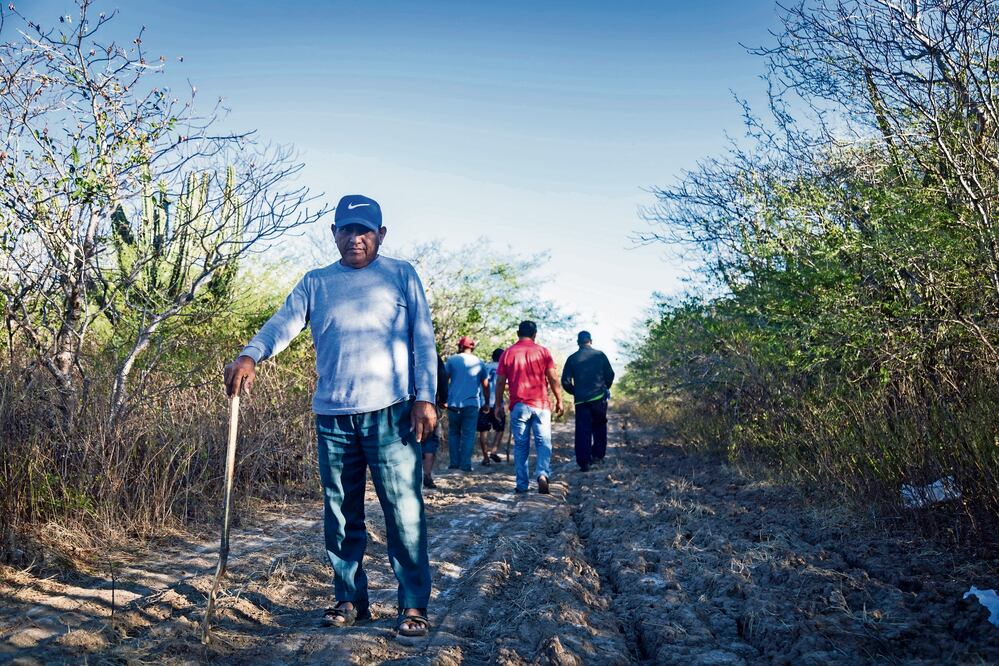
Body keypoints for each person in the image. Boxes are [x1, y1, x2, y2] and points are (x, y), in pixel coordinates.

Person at [223, 194, 436, 640]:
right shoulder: (316, 282)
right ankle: (349, 599)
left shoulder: (401, 275)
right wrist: (250, 354)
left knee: (404, 512)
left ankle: (413, 604)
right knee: (340, 513)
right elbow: (283, 323)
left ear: (381, 234)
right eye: (347, 230)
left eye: (365, 231)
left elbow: (423, 340)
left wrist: (425, 398)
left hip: (392, 413)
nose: (355, 238)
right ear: (334, 233)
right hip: (334, 417)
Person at [493, 321, 564, 494]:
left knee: (520, 446)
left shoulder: (508, 353)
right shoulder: (543, 352)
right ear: (535, 334)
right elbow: (553, 378)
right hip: (541, 405)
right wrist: (559, 400)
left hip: (518, 406)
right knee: (543, 442)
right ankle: (542, 474)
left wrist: (498, 404)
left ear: (518, 333)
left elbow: (500, 381)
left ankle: (522, 484)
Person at [561, 330, 615, 471]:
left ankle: (584, 462)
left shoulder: (572, 358)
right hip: (599, 398)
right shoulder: (600, 355)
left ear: (578, 343)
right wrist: (604, 387)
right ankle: (598, 456)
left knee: (582, 430)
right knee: (599, 426)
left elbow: (565, 381)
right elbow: (610, 375)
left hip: (581, 401)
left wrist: (576, 392)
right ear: (591, 341)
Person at [444, 336, 489, 472]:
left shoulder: (452, 360)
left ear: (460, 346)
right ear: (472, 347)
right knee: (468, 435)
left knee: (454, 433)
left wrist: (443, 399)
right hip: (471, 404)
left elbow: (444, 380)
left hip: (453, 403)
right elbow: (485, 385)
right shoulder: (480, 362)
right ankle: (465, 465)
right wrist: (487, 402)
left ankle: (454, 463)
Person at [421, 354, 449, 489]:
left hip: (403, 406)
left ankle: (413, 476)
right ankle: (427, 474)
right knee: (430, 441)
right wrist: (443, 399)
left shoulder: (402, 350)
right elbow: (442, 377)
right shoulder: (431, 354)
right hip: (430, 404)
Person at [476, 348, 506, 465]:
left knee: (483, 430)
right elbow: (505, 384)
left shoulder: (484, 366)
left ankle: (485, 457)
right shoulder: (503, 368)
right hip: (498, 402)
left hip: (484, 402)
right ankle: (493, 451)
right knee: (500, 428)